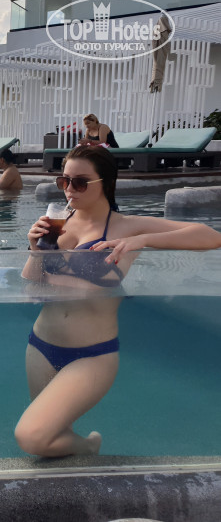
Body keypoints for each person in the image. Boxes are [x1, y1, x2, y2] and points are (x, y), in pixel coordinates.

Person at [15, 145, 221, 458]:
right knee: (52, 436)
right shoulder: (56, 222)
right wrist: (34, 248)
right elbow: (32, 284)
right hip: (41, 345)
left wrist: (143, 240)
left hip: (92, 354)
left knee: (32, 437)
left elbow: (210, 235)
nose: (69, 190)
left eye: (80, 182)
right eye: (64, 181)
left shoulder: (126, 227)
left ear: (106, 183)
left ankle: (88, 446)